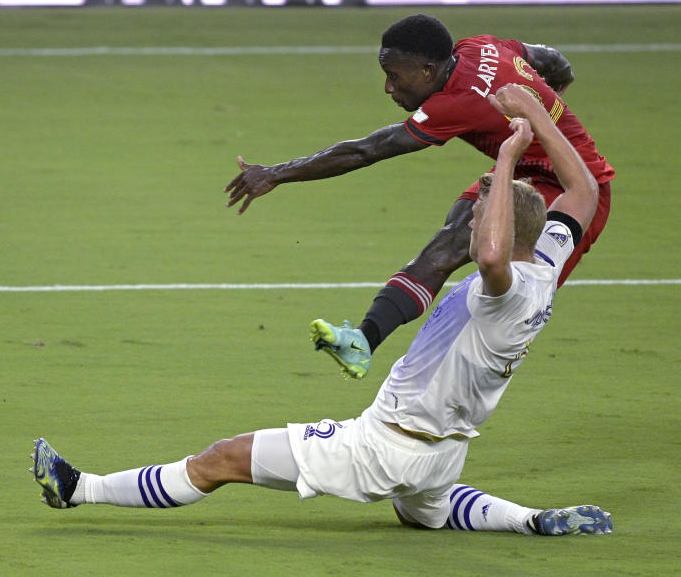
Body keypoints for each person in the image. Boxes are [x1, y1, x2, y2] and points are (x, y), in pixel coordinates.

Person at [30, 85, 611, 536]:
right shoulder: (543, 268)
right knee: (422, 515)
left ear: (503, 229)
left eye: (481, 210)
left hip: (383, 446)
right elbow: (583, 190)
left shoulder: (501, 287)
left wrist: (509, 155)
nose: (470, 216)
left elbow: (487, 253)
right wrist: (534, 110)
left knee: (218, 461)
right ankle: (529, 519)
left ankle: (80, 489)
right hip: (443, 456)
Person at [224, 14, 615, 377]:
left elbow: (368, 149)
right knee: (447, 244)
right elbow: (552, 60)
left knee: (512, 304)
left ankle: (471, 380)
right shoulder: (477, 46)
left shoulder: (457, 102)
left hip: (574, 189)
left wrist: (276, 173)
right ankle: (363, 340)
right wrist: (551, 98)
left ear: (428, 70)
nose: (388, 87)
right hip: (518, 168)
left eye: (395, 76)